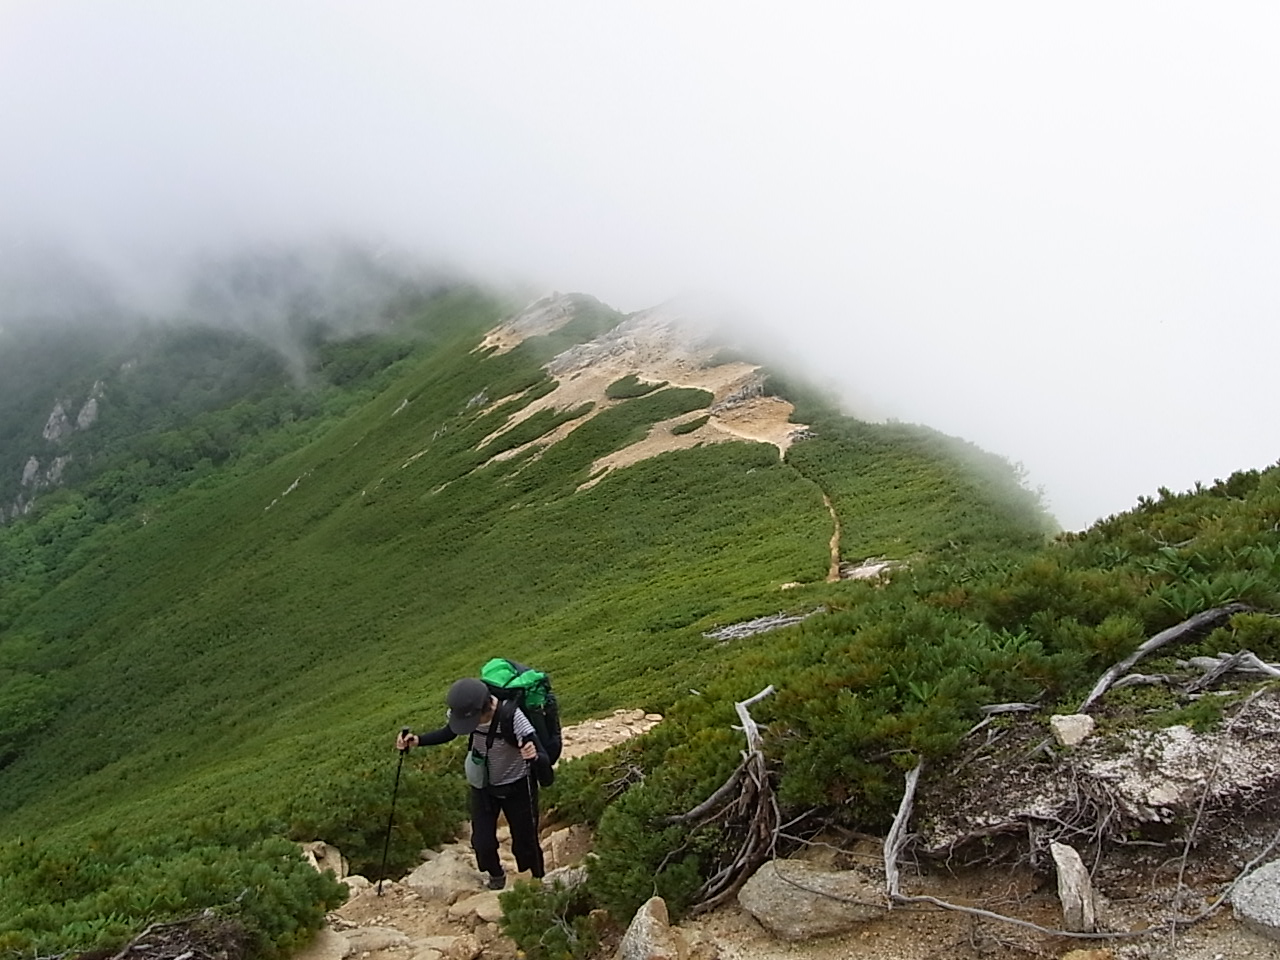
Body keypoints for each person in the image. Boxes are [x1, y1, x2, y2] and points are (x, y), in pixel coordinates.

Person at [397, 677, 550, 889]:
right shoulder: (465, 713)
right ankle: (496, 875)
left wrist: (533, 756)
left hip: (518, 786)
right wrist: (418, 740)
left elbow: (544, 760)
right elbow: (449, 731)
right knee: (482, 842)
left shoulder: (512, 717)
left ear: (485, 708)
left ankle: (537, 881)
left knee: (526, 842)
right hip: (484, 785)